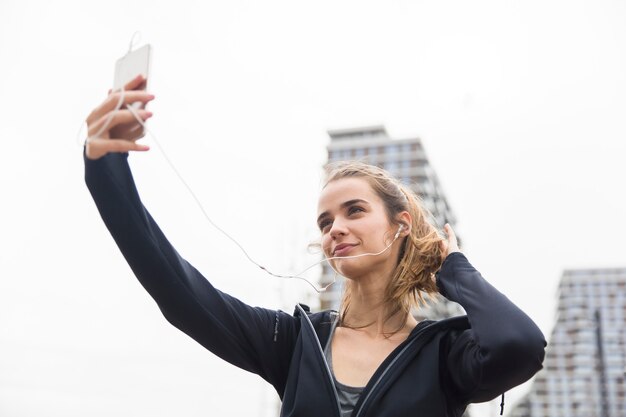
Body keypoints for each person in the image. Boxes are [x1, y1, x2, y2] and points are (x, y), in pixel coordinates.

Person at [84, 75, 546, 417]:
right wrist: (105, 172)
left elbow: (520, 344)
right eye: (325, 221)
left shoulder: (444, 354)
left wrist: (456, 269)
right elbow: (178, 292)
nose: (335, 229)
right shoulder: (292, 342)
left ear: (400, 225)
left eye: (355, 211)